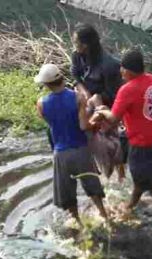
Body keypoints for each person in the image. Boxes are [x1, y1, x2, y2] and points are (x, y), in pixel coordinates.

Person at [90, 49, 152, 220]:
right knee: (142, 177)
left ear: (128, 70)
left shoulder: (127, 89)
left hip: (142, 145)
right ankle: (131, 204)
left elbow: (114, 119)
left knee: (150, 183)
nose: (120, 71)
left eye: (122, 68)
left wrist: (102, 110)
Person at [34, 63, 109, 227]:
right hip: (81, 149)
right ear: (62, 78)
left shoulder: (41, 103)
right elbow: (83, 126)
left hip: (61, 153)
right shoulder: (77, 97)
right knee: (92, 185)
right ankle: (103, 214)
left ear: (46, 84)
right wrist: (96, 122)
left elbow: (51, 124)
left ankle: (77, 222)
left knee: (67, 192)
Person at [72, 24, 126, 182]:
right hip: (89, 102)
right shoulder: (77, 55)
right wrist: (85, 92)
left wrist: (97, 99)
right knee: (92, 140)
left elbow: (114, 93)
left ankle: (120, 175)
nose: (74, 46)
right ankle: (102, 173)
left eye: (76, 43)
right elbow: (75, 75)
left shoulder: (109, 65)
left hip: (106, 106)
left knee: (112, 143)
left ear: (86, 45)